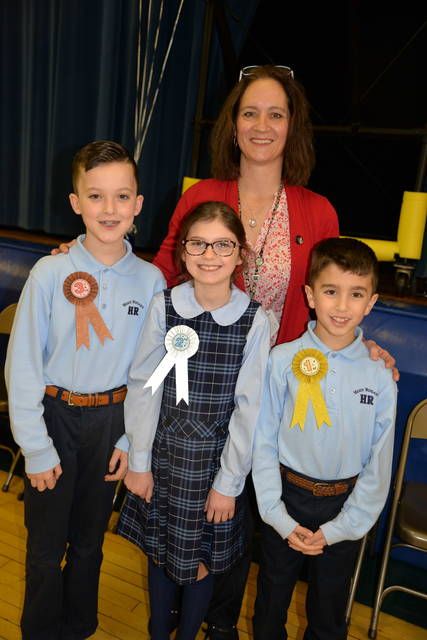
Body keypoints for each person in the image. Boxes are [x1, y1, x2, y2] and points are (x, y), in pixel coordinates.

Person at [51, 65, 397, 639]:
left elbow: (335, 291)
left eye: (276, 113)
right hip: (197, 392)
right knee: (197, 519)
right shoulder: (204, 196)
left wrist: (362, 344)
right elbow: (159, 269)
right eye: (249, 112)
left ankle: (222, 625)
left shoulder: (319, 209)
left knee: (245, 524)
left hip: (281, 391)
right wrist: (89, 253)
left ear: (294, 127)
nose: (262, 125)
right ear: (233, 126)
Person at [5, 140, 165, 640]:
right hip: (54, 419)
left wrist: (129, 441)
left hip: (111, 425)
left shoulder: (151, 280)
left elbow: (150, 373)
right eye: (96, 197)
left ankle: (79, 628)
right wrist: (33, 445)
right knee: (44, 547)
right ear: (76, 203)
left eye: (122, 196)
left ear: (138, 203)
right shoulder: (50, 273)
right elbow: (24, 364)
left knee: (91, 542)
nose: (109, 209)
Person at [116, 201, 271, 640]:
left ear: (241, 253)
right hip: (163, 458)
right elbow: (144, 386)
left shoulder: (255, 320)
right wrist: (140, 461)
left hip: (214, 466)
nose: (209, 254)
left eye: (223, 244)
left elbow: (250, 409)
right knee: (161, 552)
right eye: (198, 243)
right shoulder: (164, 306)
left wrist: (228, 482)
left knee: (201, 560)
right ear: (183, 252)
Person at [251, 237, 397, 640]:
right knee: (269, 607)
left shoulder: (381, 377)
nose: (342, 305)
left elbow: (378, 463)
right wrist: (277, 516)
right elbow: (262, 443)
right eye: (330, 291)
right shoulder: (282, 360)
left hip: (344, 507)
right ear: (310, 295)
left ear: (371, 303)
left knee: (328, 617)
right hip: (286, 497)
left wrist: (342, 528)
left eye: (356, 295)